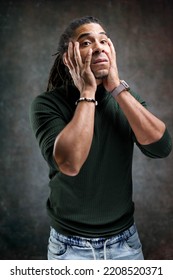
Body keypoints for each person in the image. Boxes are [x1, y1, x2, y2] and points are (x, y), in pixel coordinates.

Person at [29, 16, 172, 260]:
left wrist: (117, 88)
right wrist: (87, 90)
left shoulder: (124, 99)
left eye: (104, 40)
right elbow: (70, 164)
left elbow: (162, 147)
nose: (99, 47)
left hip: (125, 244)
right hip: (69, 248)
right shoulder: (47, 104)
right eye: (86, 43)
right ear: (68, 58)